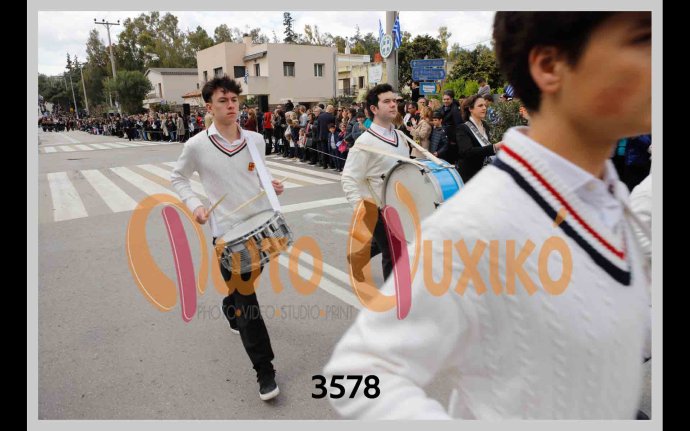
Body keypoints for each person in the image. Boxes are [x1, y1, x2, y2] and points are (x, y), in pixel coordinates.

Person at [325, 12, 652, 419]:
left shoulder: (611, 197)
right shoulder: (476, 226)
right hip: (388, 212)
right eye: (640, 40)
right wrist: (370, 210)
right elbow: (354, 373)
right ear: (550, 66)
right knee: (398, 267)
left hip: (407, 209)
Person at [170, 75, 285, 402]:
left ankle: (228, 304)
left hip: (262, 228)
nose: (231, 105)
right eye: (223, 101)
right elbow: (178, 178)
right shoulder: (196, 146)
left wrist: (271, 185)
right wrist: (195, 205)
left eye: (234, 99)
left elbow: (258, 175)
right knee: (248, 301)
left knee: (244, 289)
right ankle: (264, 370)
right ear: (209, 107)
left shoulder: (255, 140)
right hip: (227, 234)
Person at [340, 83, 413, 282]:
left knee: (385, 243)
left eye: (394, 101)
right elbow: (349, 178)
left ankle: (357, 258)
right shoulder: (365, 142)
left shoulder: (399, 136)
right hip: (375, 207)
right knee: (393, 251)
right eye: (386, 101)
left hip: (397, 204)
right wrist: (360, 209)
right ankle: (396, 297)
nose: (393, 104)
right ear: (373, 108)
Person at [455, 94, 502, 183]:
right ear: (470, 109)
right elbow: (467, 152)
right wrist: (494, 147)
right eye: (480, 106)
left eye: (485, 105)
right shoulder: (462, 128)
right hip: (470, 176)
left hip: (485, 174)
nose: (484, 108)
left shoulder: (486, 126)